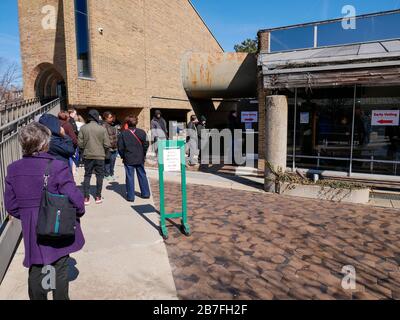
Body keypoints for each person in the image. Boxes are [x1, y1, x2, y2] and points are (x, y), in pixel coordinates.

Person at [4, 122, 85, 300]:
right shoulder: (57, 166)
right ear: (44, 143)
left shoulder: (13, 169)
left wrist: (29, 215)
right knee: (60, 268)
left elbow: (11, 205)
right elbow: (75, 199)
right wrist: (76, 212)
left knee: (37, 268)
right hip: (57, 224)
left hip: (32, 227)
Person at [78, 109, 111, 205]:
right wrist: (104, 152)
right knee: (99, 176)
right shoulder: (102, 129)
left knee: (87, 175)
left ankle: (86, 198)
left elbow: (80, 143)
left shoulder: (83, 128)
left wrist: (85, 149)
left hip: (87, 155)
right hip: (100, 155)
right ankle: (98, 196)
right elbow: (107, 144)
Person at [118, 115, 150, 202]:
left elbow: (120, 147)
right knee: (142, 175)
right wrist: (143, 154)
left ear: (127, 123)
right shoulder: (142, 132)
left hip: (128, 157)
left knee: (130, 177)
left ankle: (131, 196)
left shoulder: (123, 134)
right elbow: (146, 144)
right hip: (139, 157)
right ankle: (146, 193)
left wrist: (122, 156)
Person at [102, 111, 119, 181]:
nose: (112, 118)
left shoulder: (112, 125)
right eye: (110, 117)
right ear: (105, 118)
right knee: (107, 162)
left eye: (112, 117)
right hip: (108, 147)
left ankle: (112, 174)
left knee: (113, 161)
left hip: (114, 147)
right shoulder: (103, 126)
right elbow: (104, 137)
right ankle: (107, 174)